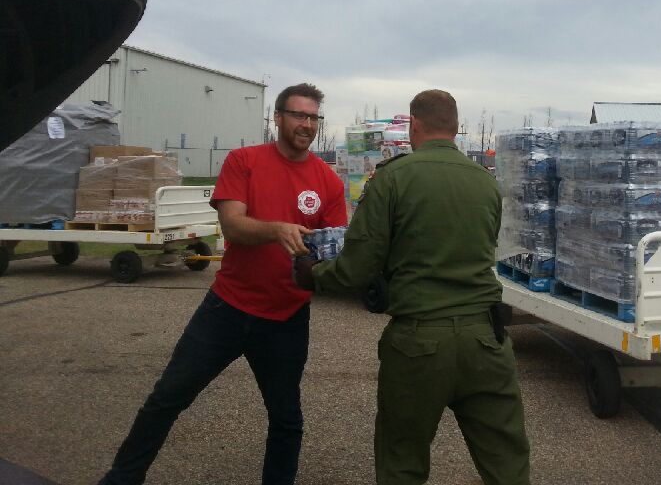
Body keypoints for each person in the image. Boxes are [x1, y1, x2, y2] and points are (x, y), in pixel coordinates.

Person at [99, 83, 347, 485]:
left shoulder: (328, 182)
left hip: (285, 318)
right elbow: (232, 224)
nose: (306, 124)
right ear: (278, 118)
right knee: (166, 399)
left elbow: (334, 246)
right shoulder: (244, 160)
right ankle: (120, 479)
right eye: (298, 115)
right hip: (227, 309)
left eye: (313, 117)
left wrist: (329, 267)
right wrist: (277, 230)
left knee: (286, 419)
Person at [294, 89, 530, 485]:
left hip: (419, 344)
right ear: (455, 128)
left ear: (414, 125)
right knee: (507, 464)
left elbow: (358, 266)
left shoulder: (394, 178)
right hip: (486, 342)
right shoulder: (486, 183)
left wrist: (314, 274)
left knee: (402, 461)